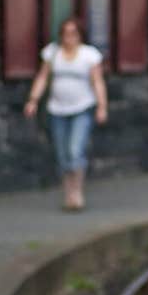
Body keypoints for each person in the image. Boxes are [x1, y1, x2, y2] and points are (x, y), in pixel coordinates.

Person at [24, 17, 108, 210]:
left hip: (82, 107)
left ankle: (77, 191)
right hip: (57, 109)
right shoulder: (53, 53)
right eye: (65, 34)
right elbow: (43, 77)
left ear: (80, 35)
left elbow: (97, 82)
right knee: (62, 154)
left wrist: (102, 106)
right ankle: (68, 192)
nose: (68, 38)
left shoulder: (89, 55)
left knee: (74, 150)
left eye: (73, 33)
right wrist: (33, 100)